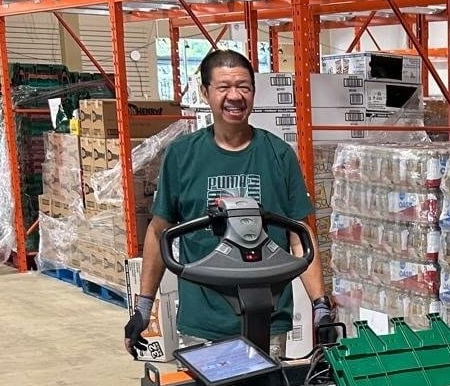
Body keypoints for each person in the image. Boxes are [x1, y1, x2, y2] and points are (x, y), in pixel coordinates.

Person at [124, 49, 334, 358]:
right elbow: (158, 231)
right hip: (202, 322)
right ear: (205, 92)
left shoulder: (279, 154)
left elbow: (299, 236)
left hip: (268, 319)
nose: (234, 96)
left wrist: (320, 307)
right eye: (223, 87)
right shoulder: (182, 155)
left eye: (244, 86)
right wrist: (143, 308)